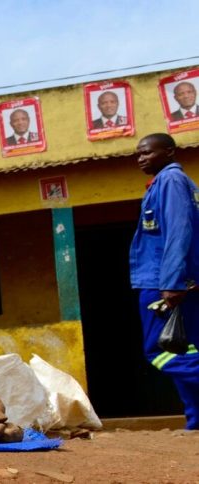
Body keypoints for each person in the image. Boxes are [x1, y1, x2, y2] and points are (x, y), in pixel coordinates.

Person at [129, 133, 199, 430]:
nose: (141, 158)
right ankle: (196, 420)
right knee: (187, 347)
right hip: (178, 281)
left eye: (147, 152)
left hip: (164, 283)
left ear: (169, 152)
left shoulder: (171, 181)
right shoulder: (169, 183)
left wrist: (171, 281)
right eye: (138, 154)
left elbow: (178, 231)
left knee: (159, 350)